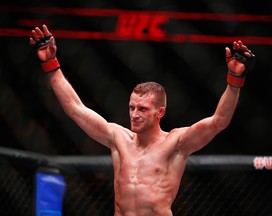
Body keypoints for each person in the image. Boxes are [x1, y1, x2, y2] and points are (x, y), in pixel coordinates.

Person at [30, 25, 255, 216]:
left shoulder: (176, 143)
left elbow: (219, 121)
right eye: (132, 107)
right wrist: (51, 64)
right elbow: (75, 109)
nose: (134, 114)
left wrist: (234, 80)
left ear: (160, 113)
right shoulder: (118, 137)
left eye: (143, 109)